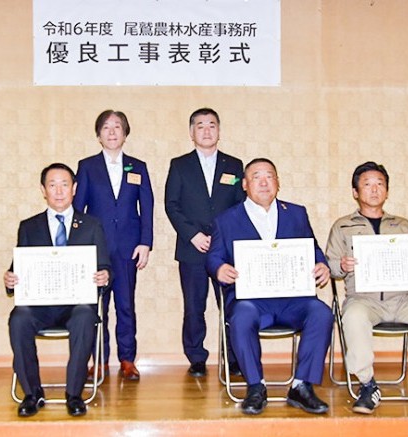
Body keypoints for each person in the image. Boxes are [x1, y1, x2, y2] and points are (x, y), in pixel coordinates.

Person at [206, 158, 333, 416]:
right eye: (256, 177)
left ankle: (302, 386)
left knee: (321, 312)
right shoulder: (226, 220)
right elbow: (213, 257)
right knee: (241, 316)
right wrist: (219, 269)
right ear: (244, 184)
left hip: (292, 299)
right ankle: (255, 387)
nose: (264, 182)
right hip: (251, 300)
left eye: (269, 176)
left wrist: (321, 264)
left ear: (278, 182)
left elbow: (313, 248)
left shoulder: (296, 213)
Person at [326, 161, 408, 414]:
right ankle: (367, 385)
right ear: (355, 192)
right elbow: (330, 267)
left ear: (387, 191)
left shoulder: (401, 224)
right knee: (353, 317)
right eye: (367, 184)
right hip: (364, 299)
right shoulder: (342, 225)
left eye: (380, 184)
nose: (374, 190)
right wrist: (342, 265)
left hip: (404, 299)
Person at [4, 163, 111, 418]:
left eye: (65, 184)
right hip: (40, 306)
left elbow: (105, 265)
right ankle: (32, 394)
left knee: (86, 316)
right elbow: (18, 267)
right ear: (43, 190)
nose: (59, 191)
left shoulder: (91, 225)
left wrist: (105, 275)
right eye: (52, 185)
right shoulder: (29, 226)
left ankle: (74, 394)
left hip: (76, 305)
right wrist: (10, 278)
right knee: (18, 319)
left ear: (74, 188)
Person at [74, 110, 153, 381]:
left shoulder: (138, 166)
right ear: (98, 135)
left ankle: (127, 360)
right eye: (106, 127)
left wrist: (145, 242)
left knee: (126, 305)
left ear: (125, 133)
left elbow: (147, 207)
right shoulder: (87, 166)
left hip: (129, 247)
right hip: (96, 249)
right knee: (97, 307)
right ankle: (99, 360)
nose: (111, 132)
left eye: (117, 126)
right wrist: (79, 247)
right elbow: (78, 210)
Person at [165, 107, 245, 377]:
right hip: (192, 249)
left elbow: (240, 207)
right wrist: (193, 235)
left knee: (232, 306)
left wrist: (223, 239)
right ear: (192, 132)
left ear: (219, 131)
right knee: (194, 307)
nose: (207, 130)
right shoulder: (179, 165)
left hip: (225, 252)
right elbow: (171, 205)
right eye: (200, 126)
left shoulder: (234, 165)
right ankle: (196, 357)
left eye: (212, 125)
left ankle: (234, 357)